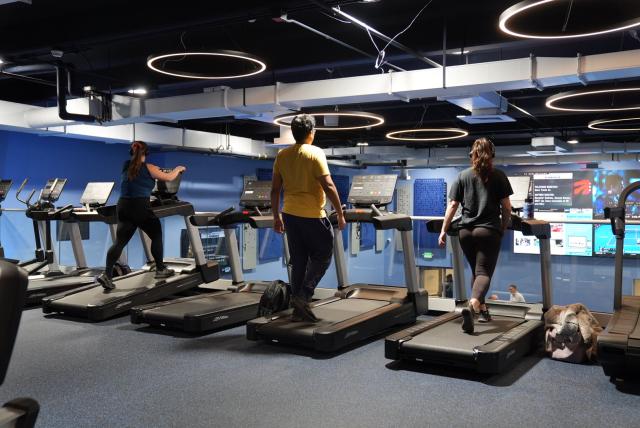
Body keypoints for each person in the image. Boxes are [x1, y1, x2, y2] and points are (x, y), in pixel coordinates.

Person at [271, 114, 346, 323]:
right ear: (311, 133)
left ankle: (298, 307)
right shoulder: (315, 153)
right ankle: (303, 296)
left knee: (299, 261)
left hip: (290, 215)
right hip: (312, 215)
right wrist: (340, 214)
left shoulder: (282, 155)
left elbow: (275, 190)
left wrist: (276, 216)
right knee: (323, 255)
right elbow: (329, 185)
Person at [438, 138, 513, 334]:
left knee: (476, 271)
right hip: (488, 231)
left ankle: (483, 310)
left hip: (465, 232)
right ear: (492, 155)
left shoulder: (462, 176)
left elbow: (452, 206)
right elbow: (506, 208)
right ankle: (471, 307)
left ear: (472, 155)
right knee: (483, 273)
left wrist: (443, 230)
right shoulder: (499, 176)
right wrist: (502, 227)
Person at [97, 141, 186, 290]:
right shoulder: (149, 168)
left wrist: (154, 170)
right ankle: (160, 269)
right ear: (146, 153)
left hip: (123, 206)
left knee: (119, 242)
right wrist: (178, 169)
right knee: (156, 234)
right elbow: (170, 178)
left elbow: (138, 173)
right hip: (139, 206)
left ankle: (106, 274)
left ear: (132, 153)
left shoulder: (126, 165)